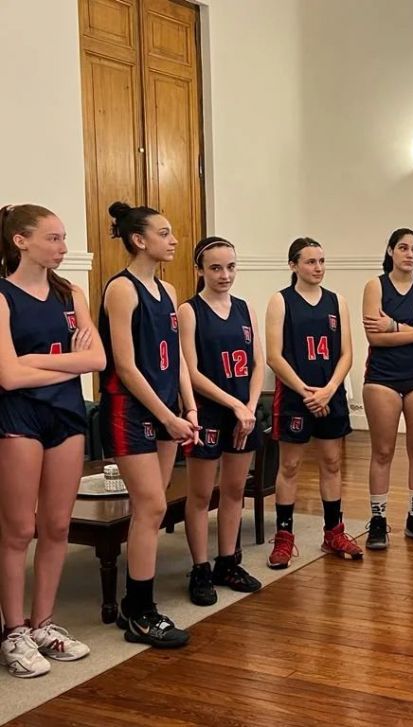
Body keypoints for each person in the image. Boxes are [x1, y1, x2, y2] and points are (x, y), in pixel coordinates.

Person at [0, 204, 105, 677]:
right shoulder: (3, 297)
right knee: (19, 530)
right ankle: (14, 631)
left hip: (66, 414)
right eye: (53, 238)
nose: (63, 247)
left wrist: (34, 361)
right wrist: (66, 361)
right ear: (21, 241)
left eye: (64, 238)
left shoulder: (70, 293)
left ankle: (43, 624)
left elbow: (97, 360)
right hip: (19, 416)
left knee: (58, 525)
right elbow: (7, 376)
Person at [99, 201, 199, 648]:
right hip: (131, 409)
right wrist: (166, 415)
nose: (173, 240)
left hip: (166, 409)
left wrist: (188, 408)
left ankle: (133, 602)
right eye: (164, 233)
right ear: (139, 240)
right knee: (153, 506)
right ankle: (141, 613)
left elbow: (176, 357)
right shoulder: (122, 289)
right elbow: (124, 365)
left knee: (150, 511)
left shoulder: (168, 289)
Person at [178, 237, 264, 605]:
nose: (224, 274)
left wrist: (250, 407)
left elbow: (258, 363)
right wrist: (234, 405)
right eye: (215, 268)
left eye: (230, 267)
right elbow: (191, 371)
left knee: (234, 490)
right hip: (210, 412)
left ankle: (227, 562)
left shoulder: (245, 309)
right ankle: (200, 567)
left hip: (243, 412)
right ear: (199, 270)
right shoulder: (189, 310)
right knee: (201, 494)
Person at [265, 237, 360, 567]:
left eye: (321, 261)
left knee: (332, 462)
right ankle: (284, 537)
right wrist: (307, 392)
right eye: (310, 261)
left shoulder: (337, 301)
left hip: (330, 395)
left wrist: (329, 389)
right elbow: (274, 356)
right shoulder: (281, 301)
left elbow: (347, 353)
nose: (318, 267)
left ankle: (333, 532)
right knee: (290, 466)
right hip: (296, 397)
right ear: (293, 265)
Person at [361, 228, 413, 549]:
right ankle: (378, 520)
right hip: (383, 377)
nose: (410, 254)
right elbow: (375, 337)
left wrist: (394, 326)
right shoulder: (375, 286)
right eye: (404, 248)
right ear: (391, 251)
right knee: (382, 451)